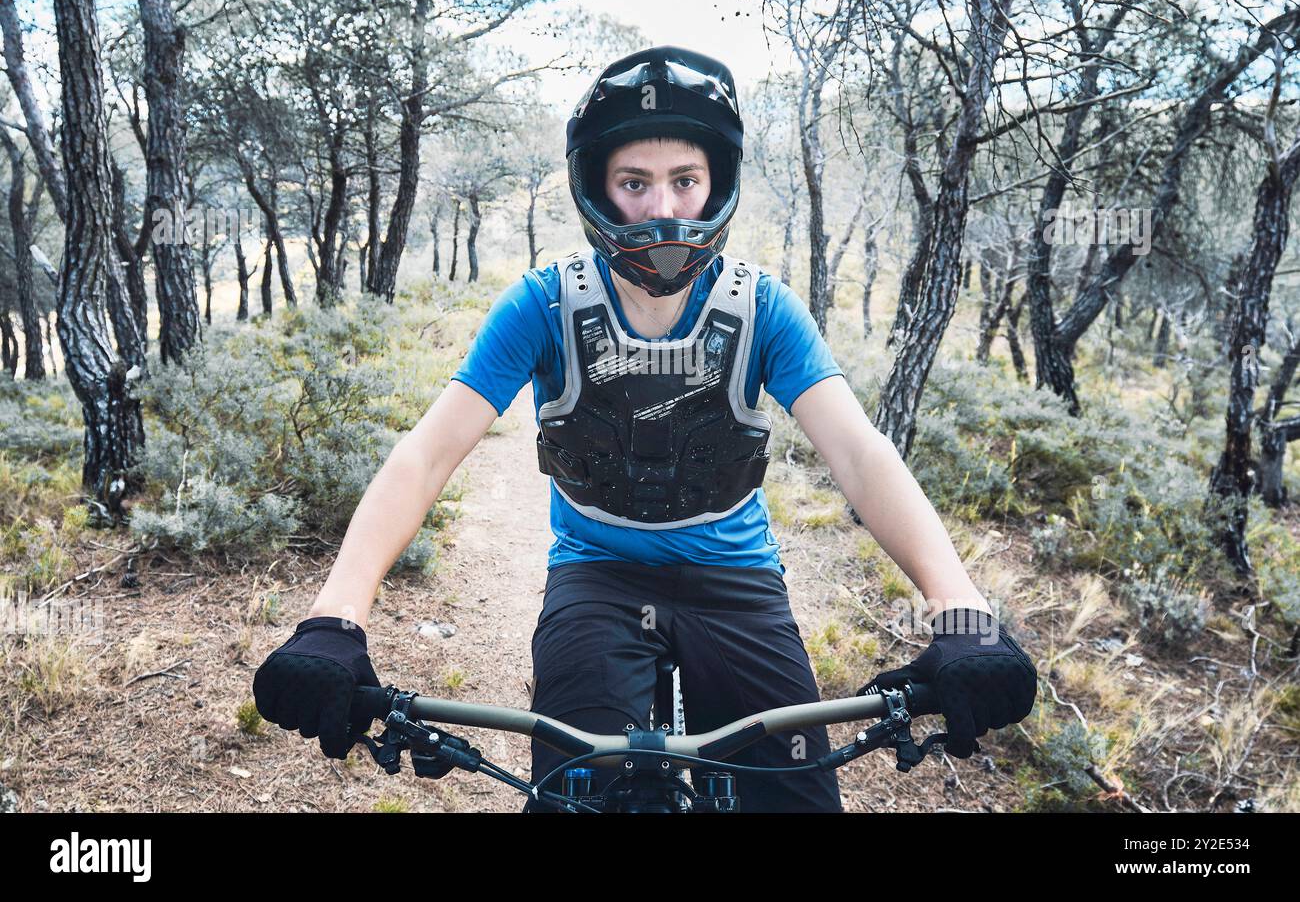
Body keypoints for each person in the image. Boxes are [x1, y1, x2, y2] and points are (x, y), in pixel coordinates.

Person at [252, 46, 1038, 813]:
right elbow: (425, 456)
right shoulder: (541, 304)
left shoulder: (762, 307)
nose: (663, 208)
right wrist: (335, 618)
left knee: (793, 795)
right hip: (596, 575)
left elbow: (862, 456)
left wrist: (961, 613)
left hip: (738, 582)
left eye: (685, 180)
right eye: (635, 182)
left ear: (716, 183)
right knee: (576, 793)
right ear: (598, 190)